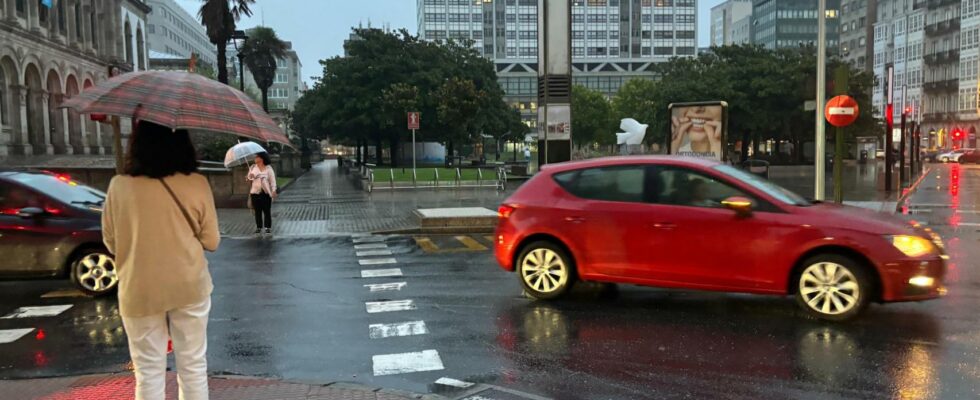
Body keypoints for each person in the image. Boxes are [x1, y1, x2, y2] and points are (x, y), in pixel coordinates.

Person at [102, 120, 220, 400]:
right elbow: (212, 241)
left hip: (138, 288)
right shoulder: (196, 183)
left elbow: (110, 241)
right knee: (192, 366)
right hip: (188, 285)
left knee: (148, 372)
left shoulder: (119, 186)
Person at [247, 152, 277, 234]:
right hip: (255, 193)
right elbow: (248, 178)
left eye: (257, 157)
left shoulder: (268, 168)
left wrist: (274, 190)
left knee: (267, 211)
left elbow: (272, 181)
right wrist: (250, 177)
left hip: (266, 193)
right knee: (257, 211)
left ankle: (267, 227)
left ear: (261, 158)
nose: (255, 158)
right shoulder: (253, 167)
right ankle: (259, 227)